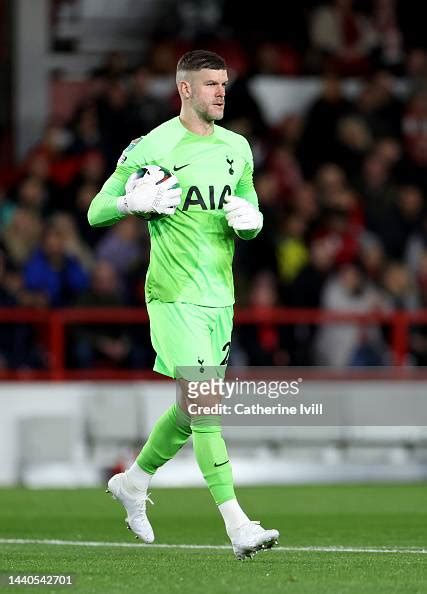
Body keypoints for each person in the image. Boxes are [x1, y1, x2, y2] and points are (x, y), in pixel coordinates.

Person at [87, 49, 279, 560]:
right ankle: (238, 524)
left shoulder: (237, 147)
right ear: (185, 89)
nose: (221, 91)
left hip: (220, 297)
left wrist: (251, 219)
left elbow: (250, 208)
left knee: (188, 412)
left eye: (224, 83)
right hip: (172, 295)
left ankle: (133, 482)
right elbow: (96, 209)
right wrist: (131, 202)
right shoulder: (154, 145)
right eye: (211, 83)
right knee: (207, 407)